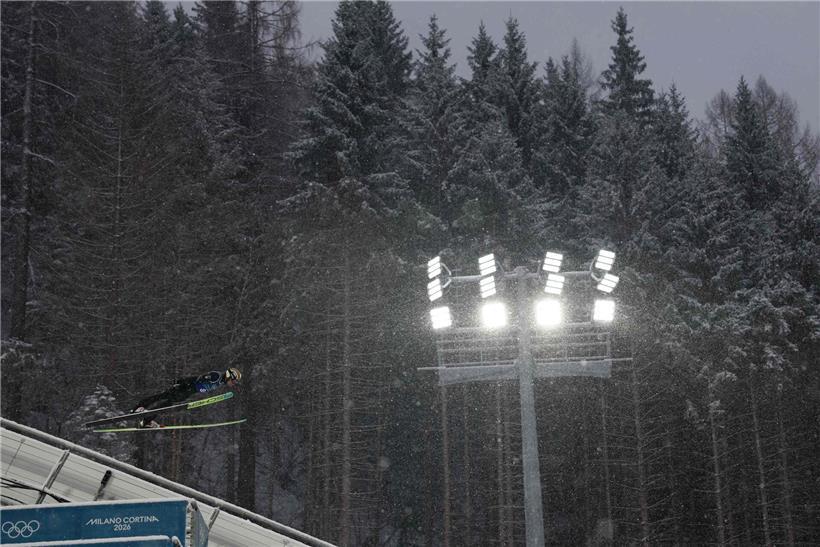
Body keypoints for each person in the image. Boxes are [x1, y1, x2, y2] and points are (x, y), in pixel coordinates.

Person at [131, 368, 241, 428]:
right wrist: (182, 382)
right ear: (229, 376)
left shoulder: (220, 382)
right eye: (234, 381)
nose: (233, 384)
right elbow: (197, 378)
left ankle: (147, 420)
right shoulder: (216, 376)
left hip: (189, 392)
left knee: (167, 404)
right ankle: (140, 408)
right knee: (163, 398)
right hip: (186, 387)